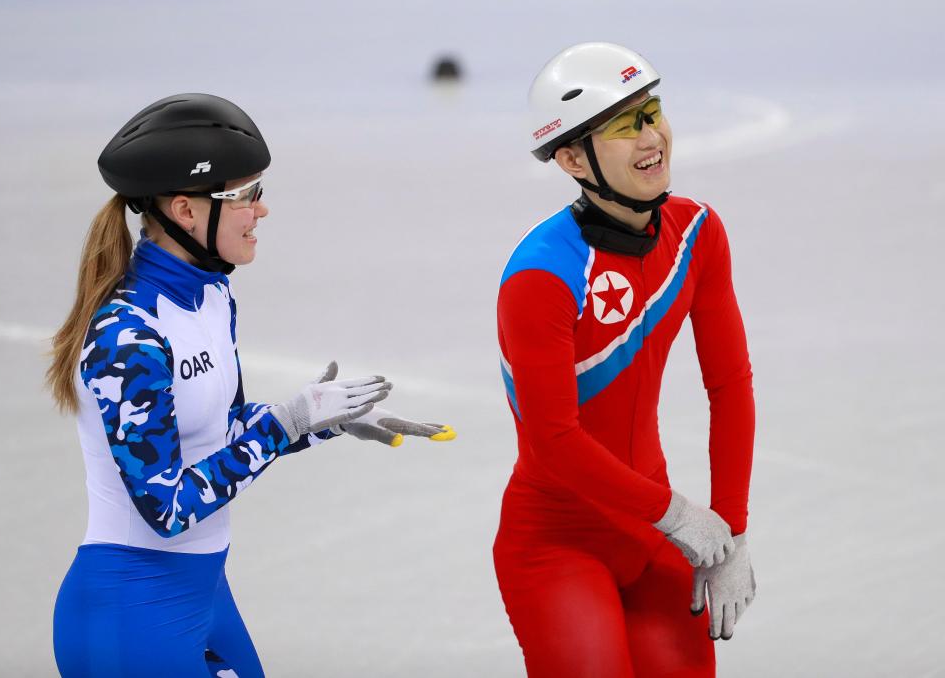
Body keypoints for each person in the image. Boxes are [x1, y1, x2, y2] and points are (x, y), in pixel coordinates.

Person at [46, 93, 455, 677]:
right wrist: (284, 422)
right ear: (185, 211)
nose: (260, 211)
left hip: (205, 593)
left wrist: (317, 423)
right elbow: (168, 506)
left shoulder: (213, 295)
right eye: (245, 195)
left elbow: (222, 430)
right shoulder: (128, 337)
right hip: (128, 613)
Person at [493, 43, 757, 677]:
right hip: (557, 545)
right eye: (622, 124)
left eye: (652, 111)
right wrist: (680, 515)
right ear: (570, 157)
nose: (651, 136)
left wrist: (734, 532)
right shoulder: (542, 274)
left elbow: (730, 384)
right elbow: (555, 440)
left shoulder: (697, 233)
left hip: (654, 537)